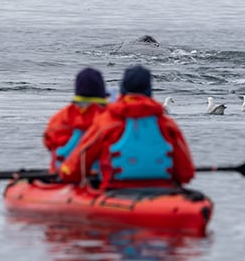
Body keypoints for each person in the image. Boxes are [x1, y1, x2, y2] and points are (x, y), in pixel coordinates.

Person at [58, 65, 196, 188]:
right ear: (149, 91)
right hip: (162, 190)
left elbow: (78, 165)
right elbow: (186, 173)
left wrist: (66, 173)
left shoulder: (106, 123)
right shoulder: (167, 124)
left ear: (122, 90)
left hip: (115, 189)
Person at [43, 67, 109, 173]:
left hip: (64, 175)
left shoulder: (59, 118)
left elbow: (49, 143)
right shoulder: (111, 116)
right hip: (101, 176)